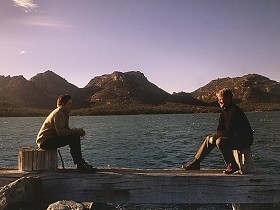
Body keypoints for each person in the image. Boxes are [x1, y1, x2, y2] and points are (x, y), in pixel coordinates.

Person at [181, 88, 253, 174]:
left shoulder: (235, 111)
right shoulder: (224, 112)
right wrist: (214, 138)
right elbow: (220, 129)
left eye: (220, 99)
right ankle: (196, 163)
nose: (219, 102)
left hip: (243, 140)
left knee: (220, 141)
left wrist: (216, 137)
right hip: (233, 137)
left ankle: (232, 165)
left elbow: (230, 132)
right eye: (218, 100)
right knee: (209, 138)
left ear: (228, 98)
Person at [36, 94, 96, 173]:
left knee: (74, 136)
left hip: (51, 139)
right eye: (69, 104)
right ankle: (80, 165)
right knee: (74, 137)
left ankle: (81, 163)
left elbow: (67, 130)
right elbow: (60, 132)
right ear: (63, 105)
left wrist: (77, 131)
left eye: (71, 104)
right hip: (44, 142)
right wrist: (76, 131)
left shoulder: (65, 113)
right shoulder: (58, 113)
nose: (71, 106)